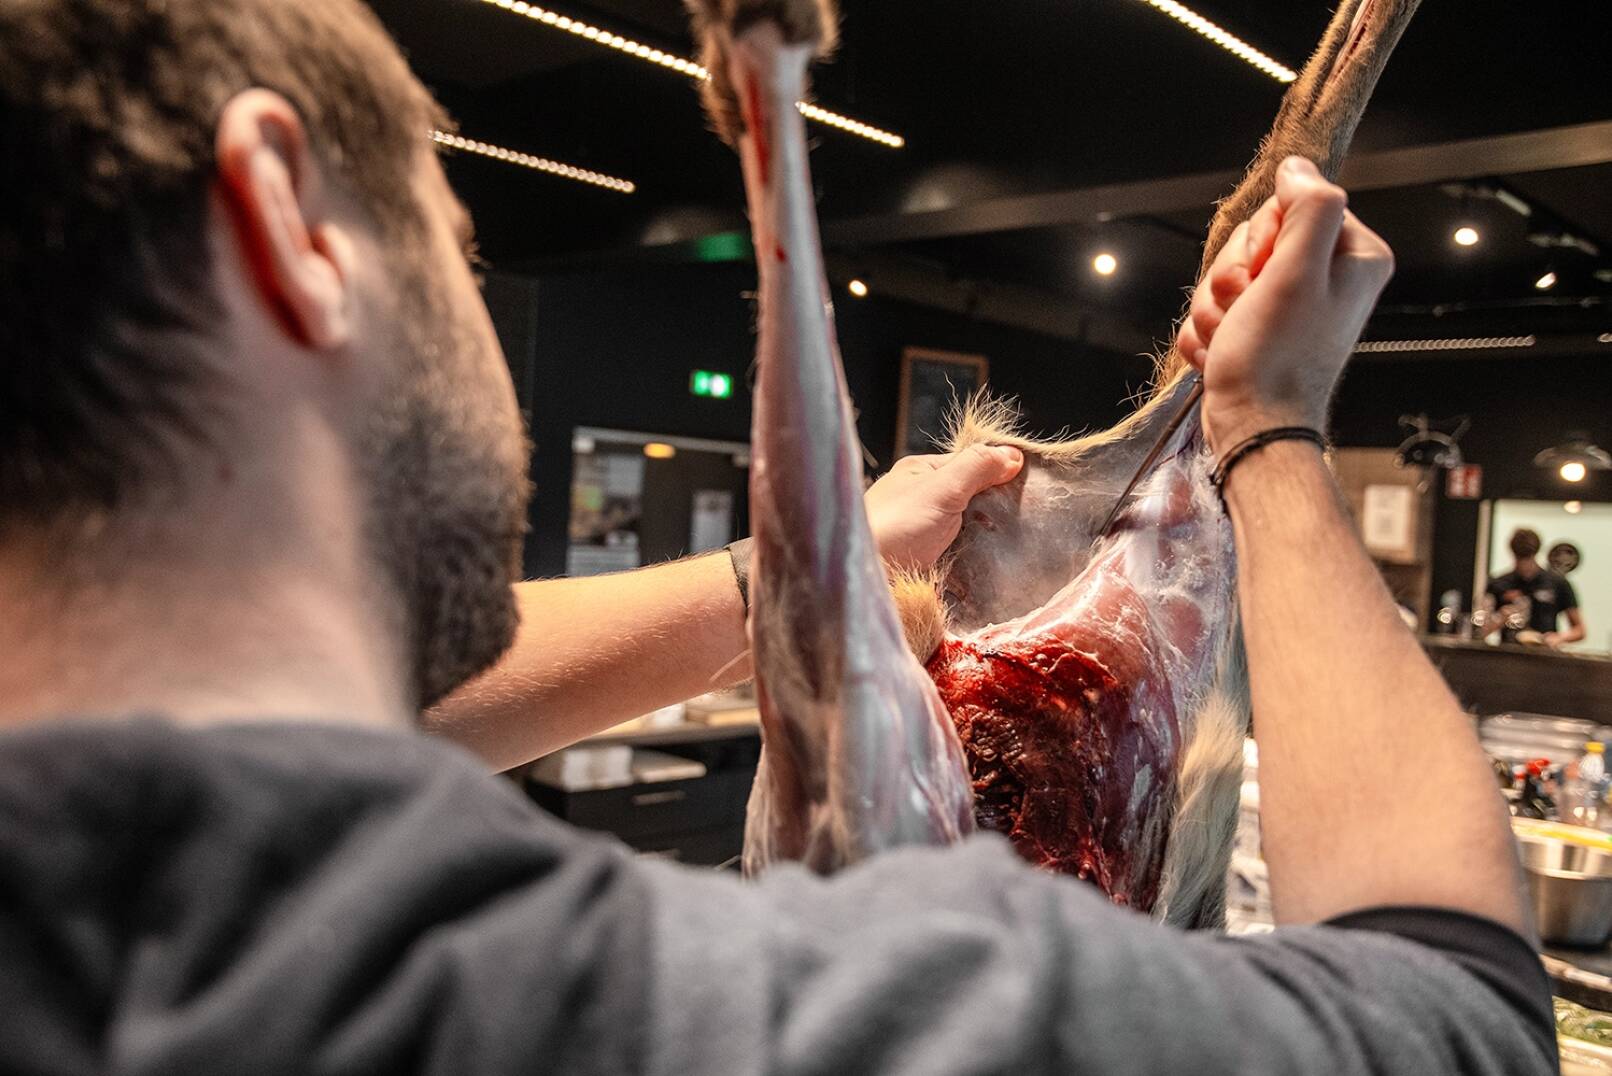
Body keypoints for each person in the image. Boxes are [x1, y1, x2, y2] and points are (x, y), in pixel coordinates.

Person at [0, 3, 1551, 1073]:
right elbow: (1460, 1009)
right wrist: (1272, 429)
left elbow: (313, 715)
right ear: (292, 230)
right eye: (453, 244)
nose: (472, 309)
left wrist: (778, 584)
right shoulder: (699, 1022)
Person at [1483, 527, 1585, 648]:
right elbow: (1482, 631)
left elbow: (1580, 630)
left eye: (1527, 559)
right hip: (1509, 654)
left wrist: (1559, 637)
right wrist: (1500, 618)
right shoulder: (1498, 583)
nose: (1524, 566)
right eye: (1521, 559)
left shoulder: (1557, 583)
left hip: (1544, 654)